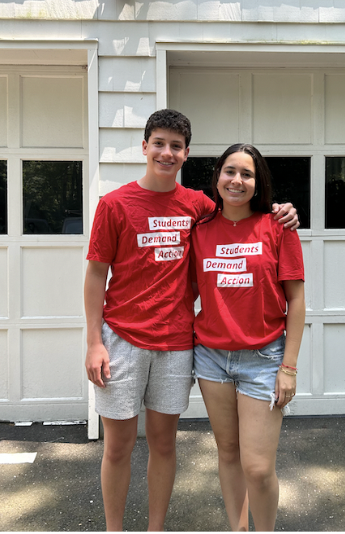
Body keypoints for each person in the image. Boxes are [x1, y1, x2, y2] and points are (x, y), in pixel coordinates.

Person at [84, 109, 299, 532]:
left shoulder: (199, 207)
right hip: (122, 340)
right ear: (144, 147)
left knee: (164, 444)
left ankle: (156, 528)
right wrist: (94, 341)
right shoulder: (114, 205)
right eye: (159, 144)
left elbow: (243, 214)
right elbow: (95, 274)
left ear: (186, 154)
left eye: (176, 146)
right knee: (117, 447)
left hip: (178, 343)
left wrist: (283, 210)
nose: (167, 153)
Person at [191, 143, 306, 531]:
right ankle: (237, 528)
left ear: (259, 184)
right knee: (227, 452)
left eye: (247, 174)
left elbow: (296, 300)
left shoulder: (278, 227)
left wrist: (288, 367)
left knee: (257, 467)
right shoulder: (200, 230)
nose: (236, 180)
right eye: (229, 171)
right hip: (211, 358)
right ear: (217, 177)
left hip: (263, 359)